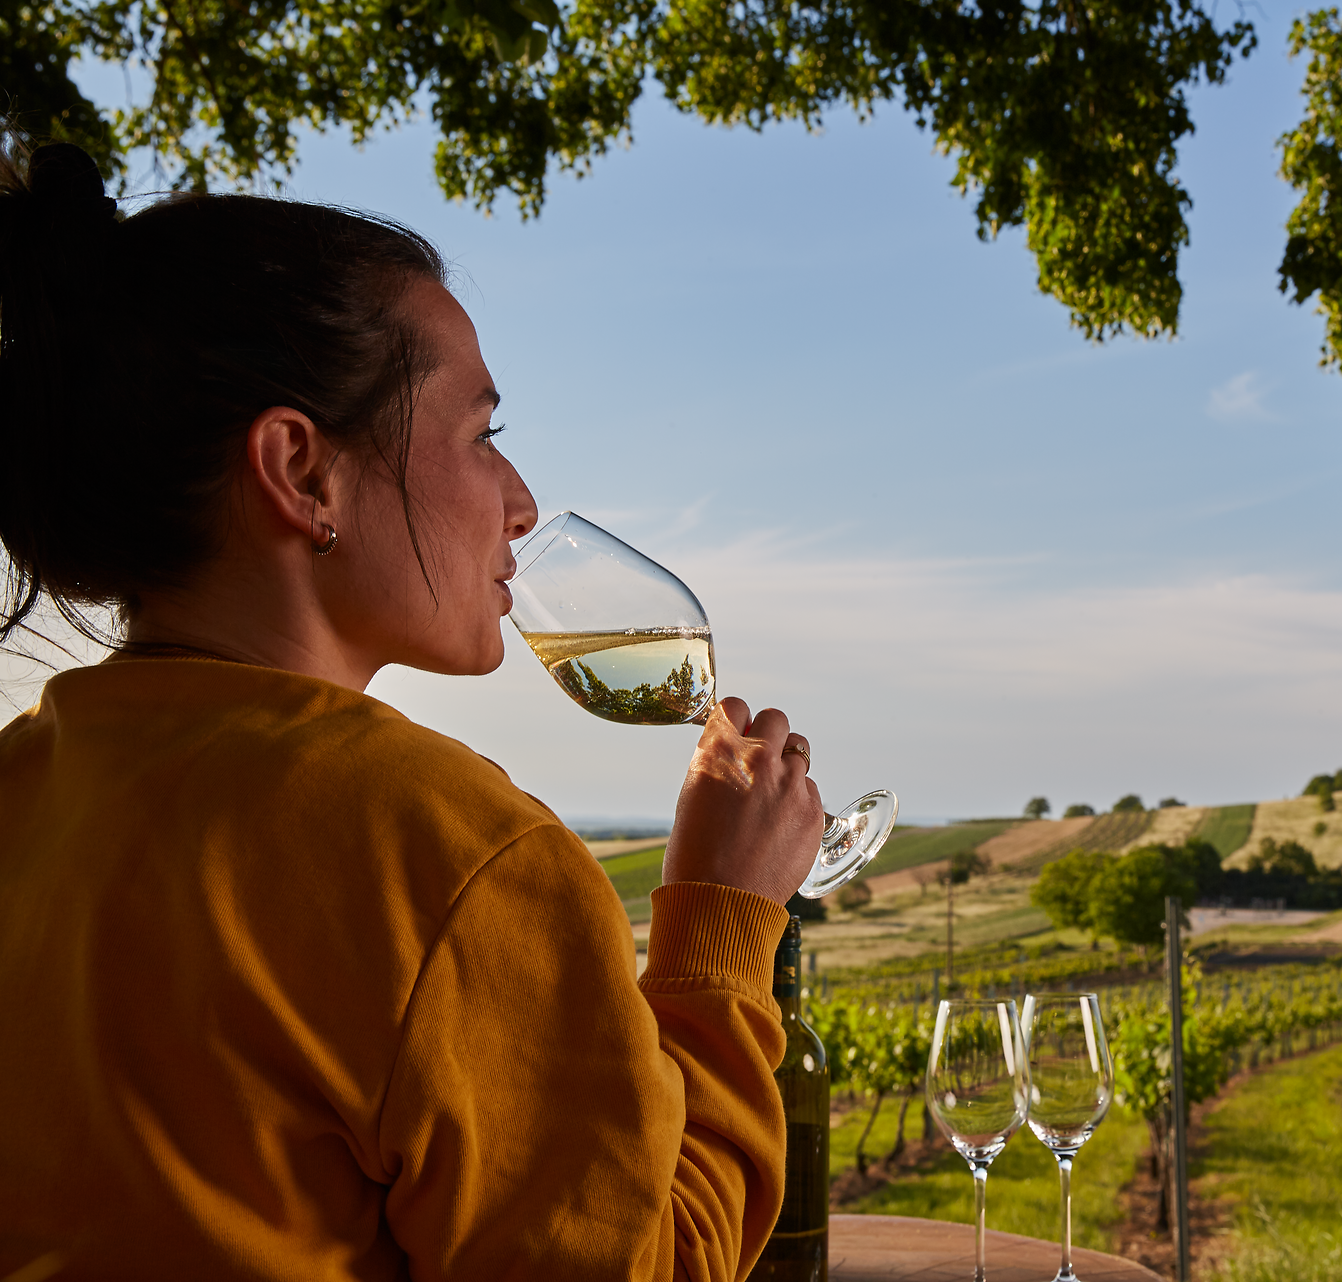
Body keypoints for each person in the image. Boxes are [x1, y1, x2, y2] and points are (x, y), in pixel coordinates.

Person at [0, 137, 824, 1278]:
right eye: (483, 435)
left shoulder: (22, 791)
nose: (522, 503)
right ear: (302, 470)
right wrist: (721, 926)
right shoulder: (455, 856)